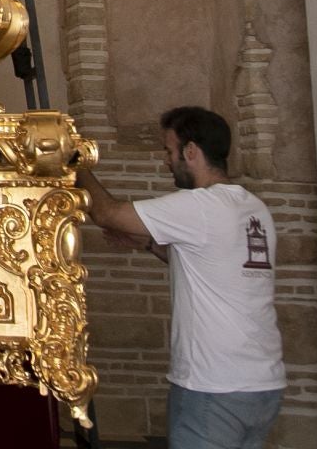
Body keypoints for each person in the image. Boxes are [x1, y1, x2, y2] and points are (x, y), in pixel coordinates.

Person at [78, 106, 285, 449]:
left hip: (214, 386)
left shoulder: (201, 206)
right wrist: (146, 245)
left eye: (169, 151)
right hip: (262, 384)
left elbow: (107, 214)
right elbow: (206, 260)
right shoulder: (254, 208)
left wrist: (75, 164)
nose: (166, 160)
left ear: (191, 152)